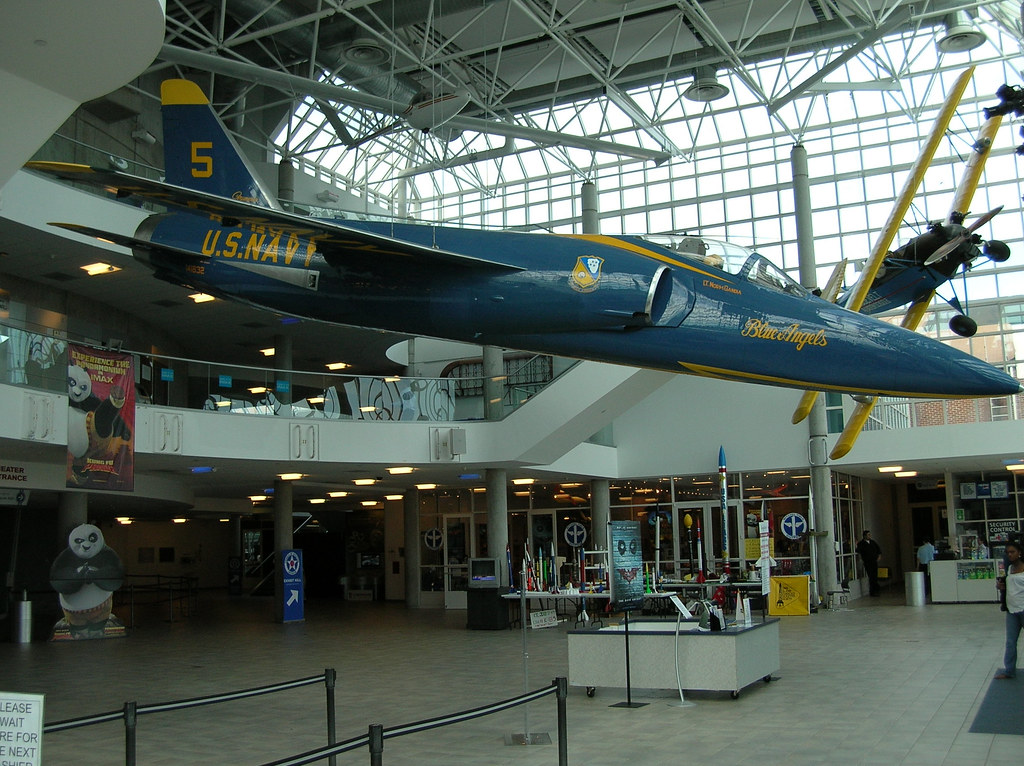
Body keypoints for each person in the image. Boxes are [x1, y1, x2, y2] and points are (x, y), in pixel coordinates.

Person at [995, 541, 1024, 679]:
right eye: (1008, 552)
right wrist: (1001, 587)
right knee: (1011, 641)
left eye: (1012, 552)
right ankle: (1009, 670)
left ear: (1019, 553)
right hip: (1012, 610)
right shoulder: (1009, 568)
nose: (1010, 555)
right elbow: (1009, 587)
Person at [856, 530, 883, 597]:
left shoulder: (872, 542)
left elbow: (878, 550)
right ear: (864, 536)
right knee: (871, 576)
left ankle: (876, 589)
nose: (869, 536)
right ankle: (872, 591)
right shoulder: (861, 543)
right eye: (868, 535)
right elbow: (858, 551)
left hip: (874, 561)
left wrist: (879, 556)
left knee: (875, 576)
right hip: (868, 562)